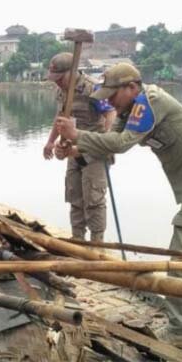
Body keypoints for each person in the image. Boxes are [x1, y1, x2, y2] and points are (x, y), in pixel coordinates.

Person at [54, 63, 182, 350]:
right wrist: (75, 149)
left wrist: (77, 135)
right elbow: (113, 143)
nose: (108, 101)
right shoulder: (130, 110)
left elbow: (121, 143)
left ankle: (181, 331)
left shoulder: (150, 102)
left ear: (132, 87)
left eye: (113, 95)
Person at [43, 53, 116, 242]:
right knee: (75, 199)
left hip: (93, 153)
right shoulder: (61, 92)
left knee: (94, 201)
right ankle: (77, 241)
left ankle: (97, 244)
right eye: (55, 80)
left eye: (60, 79)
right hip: (72, 152)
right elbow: (60, 118)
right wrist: (51, 142)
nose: (57, 83)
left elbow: (110, 114)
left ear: (72, 72)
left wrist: (105, 141)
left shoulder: (93, 88)